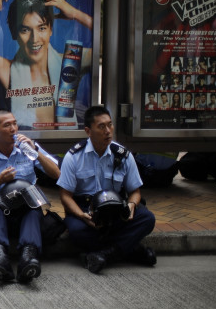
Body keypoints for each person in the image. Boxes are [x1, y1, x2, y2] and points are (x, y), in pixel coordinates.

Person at [0, 0, 93, 130]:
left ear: (51, 30)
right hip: (19, 149)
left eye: (41, 28)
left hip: (63, 150)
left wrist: (75, 14)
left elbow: (111, 49)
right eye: (25, 30)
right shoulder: (2, 69)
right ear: (15, 33)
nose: (35, 39)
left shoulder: (70, 61)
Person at [57, 105, 156, 274]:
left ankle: (104, 255)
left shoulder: (123, 155)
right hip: (86, 210)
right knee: (77, 231)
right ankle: (131, 250)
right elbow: (65, 196)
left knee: (147, 218)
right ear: (88, 131)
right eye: (101, 127)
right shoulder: (73, 157)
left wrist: (132, 205)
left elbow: (135, 191)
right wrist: (81, 215)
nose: (108, 131)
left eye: (110, 125)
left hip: (115, 207)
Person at [0, 109, 60, 284]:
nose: (13, 129)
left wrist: (36, 152)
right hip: (0, 215)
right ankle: (0, 258)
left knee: (33, 208)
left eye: (14, 123)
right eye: (7, 125)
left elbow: (57, 174)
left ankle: (28, 258)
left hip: (26, 211)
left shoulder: (28, 148)